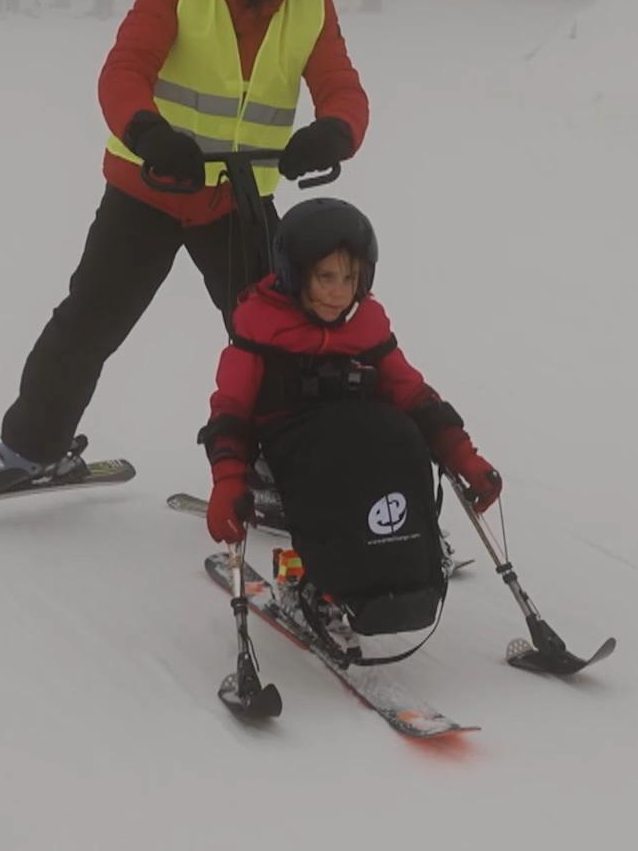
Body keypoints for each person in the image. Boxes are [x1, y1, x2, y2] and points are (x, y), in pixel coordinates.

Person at [0, 0, 367, 500]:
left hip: (235, 199)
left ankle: (283, 459)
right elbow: (125, 67)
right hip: (151, 189)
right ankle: (31, 448)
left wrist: (336, 131)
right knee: (88, 323)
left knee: (277, 333)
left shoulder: (310, 4)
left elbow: (342, 87)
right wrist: (148, 131)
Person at [197, 199, 502, 647]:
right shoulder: (261, 325)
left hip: (353, 432)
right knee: (340, 459)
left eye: (350, 278)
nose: (340, 292)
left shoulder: (366, 325)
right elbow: (231, 409)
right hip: (291, 442)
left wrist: (464, 456)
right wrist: (227, 479)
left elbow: (413, 393)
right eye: (326, 277)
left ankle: (409, 544)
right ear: (294, 273)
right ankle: (312, 583)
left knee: (400, 435)